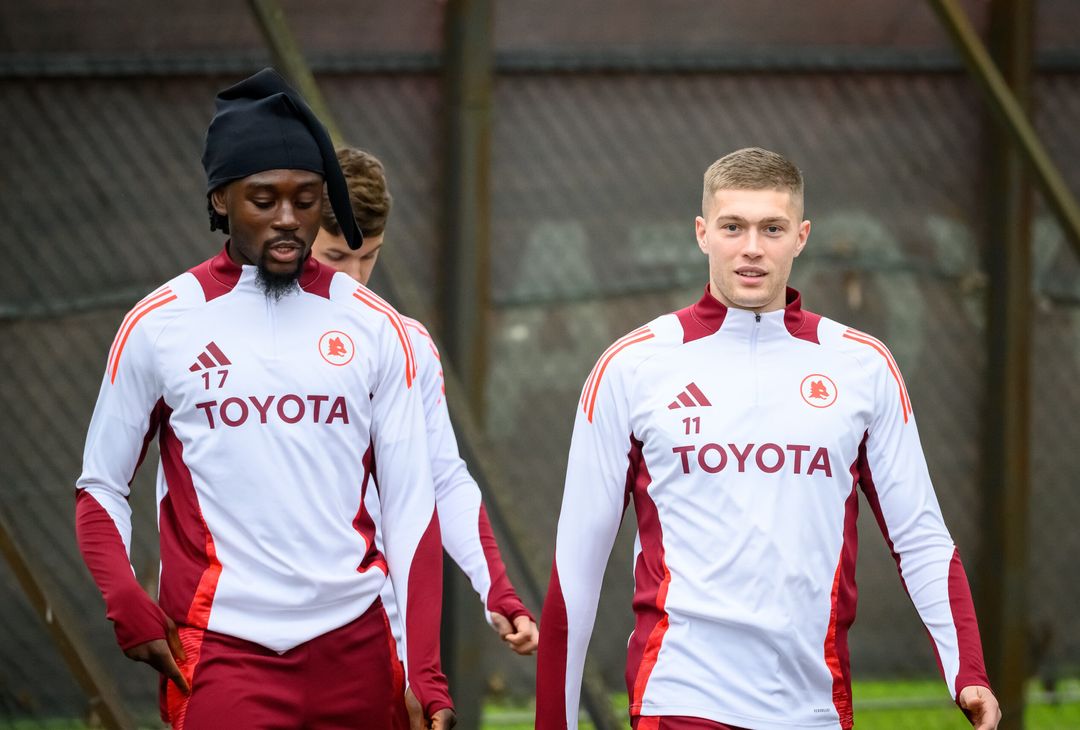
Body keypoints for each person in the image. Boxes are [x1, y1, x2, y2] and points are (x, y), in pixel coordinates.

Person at [535, 147, 1000, 730]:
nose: (751, 246)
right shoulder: (632, 366)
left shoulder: (863, 365)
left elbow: (921, 537)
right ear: (703, 233)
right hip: (680, 698)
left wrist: (969, 672)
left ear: (801, 237)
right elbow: (577, 561)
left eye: (772, 228)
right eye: (733, 227)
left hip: (814, 705)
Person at [74, 68, 454, 729]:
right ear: (220, 198)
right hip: (221, 653)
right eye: (263, 199)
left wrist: (422, 668)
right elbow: (100, 486)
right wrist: (124, 598)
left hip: (357, 651)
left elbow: (413, 508)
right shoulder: (161, 323)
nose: (286, 219)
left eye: (305, 201)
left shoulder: (373, 326)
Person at [311, 147, 539, 726]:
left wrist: (497, 590)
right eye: (337, 256)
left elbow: (442, 477)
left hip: (373, 631)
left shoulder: (406, 343)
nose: (356, 278)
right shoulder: (226, 335)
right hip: (245, 636)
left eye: (371, 258)